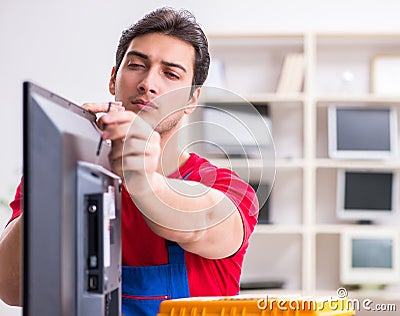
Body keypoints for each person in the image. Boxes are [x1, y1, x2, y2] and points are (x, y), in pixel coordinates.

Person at [0, 7, 258, 316]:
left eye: (171, 74)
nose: (148, 83)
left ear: (191, 99)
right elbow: (11, 288)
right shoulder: (57, 171)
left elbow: (197, 227)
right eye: (136, 65)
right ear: (113, 79)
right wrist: (64, 171)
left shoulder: (223, 185)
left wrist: (143, 176)